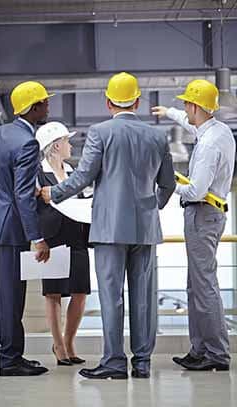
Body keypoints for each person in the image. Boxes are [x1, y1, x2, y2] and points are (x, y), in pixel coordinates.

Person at [41, 72, 176, 379]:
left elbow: (84, 176)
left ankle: (114, 363)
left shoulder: (100, 132)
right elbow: (167, 184)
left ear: (108, 102)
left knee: (111, 296)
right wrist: (151, 209)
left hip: (109, 229)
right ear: (138, 101)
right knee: (143, 298)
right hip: (145, 230)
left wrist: (54, 193)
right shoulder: (157, 136)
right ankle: (142, 364)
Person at [152, 79, 236, 371]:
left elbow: (196, 192)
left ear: (196, 106)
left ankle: (216, 354)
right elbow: (192, 126)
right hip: (206, 215)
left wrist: (169, 183)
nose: (185, 106)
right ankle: (200, 349)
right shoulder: (217, 130)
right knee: (196, 287)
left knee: (205, 286)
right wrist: (170, 112)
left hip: (202, 213)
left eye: (187, 103)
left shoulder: (211, 143)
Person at [0, 81, 53, 376]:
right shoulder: (27, 142)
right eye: (45, 103)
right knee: (12, 295)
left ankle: (13, 355)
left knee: (8, 292)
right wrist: (38, 237)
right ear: (33, 108)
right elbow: (22, 195)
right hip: (12, 229)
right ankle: (9, 360)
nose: (48, 106)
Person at [35, 121, 90, 366]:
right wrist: (38, 239)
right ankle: (58, 346)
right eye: (67, 141)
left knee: (80, 292)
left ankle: (69, 342)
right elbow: (32, 208)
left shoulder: (72, 171)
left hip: (76, 235)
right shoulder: (37, 172)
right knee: (53, 293)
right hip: (52, 238)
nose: (70, 145)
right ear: (56, 145)